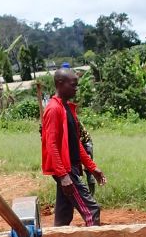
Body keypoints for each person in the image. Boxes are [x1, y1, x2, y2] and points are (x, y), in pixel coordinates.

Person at [42, 68, 106, 226]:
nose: (76, 89)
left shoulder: (66, 108)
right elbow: (51, 144)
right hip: (66, 169)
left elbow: (75, 142)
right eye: (73, 85)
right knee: (92, 211)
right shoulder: (54, 109)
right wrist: (63, 175)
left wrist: (92, 167)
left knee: (63, 216)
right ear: (60, 84)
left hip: (70, 167)